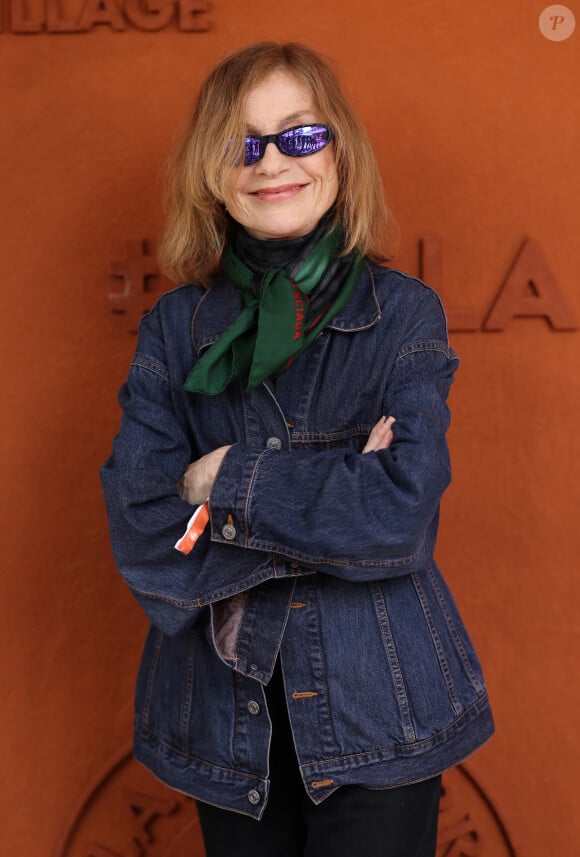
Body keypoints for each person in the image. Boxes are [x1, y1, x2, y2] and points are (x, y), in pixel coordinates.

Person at [100, 41, 494, 857]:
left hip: (382, 711)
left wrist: (223, 479)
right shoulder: (175, 331)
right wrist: (332, 502)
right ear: (211, 172)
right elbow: (143, 529)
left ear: (340, 154)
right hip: (219, 722)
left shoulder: (404, 314)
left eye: (299, 136)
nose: (271, 162)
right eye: (241, 143)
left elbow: (396, 516)